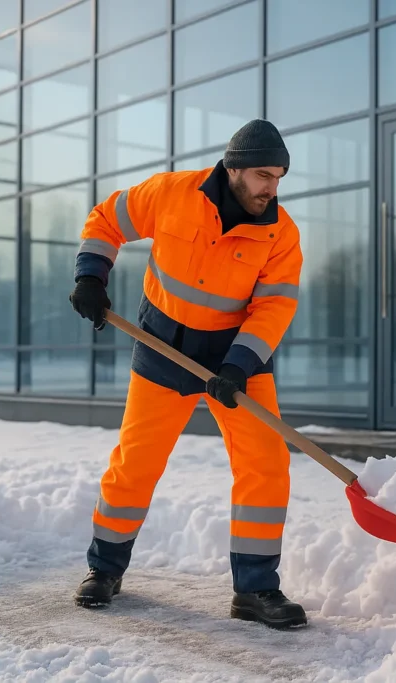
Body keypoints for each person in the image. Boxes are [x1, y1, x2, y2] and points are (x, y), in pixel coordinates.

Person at [67, 119, 306, 630]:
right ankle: (104, 570)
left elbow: (275, 308)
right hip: (163, 351)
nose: (272, 187)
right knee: (137, 462)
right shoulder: (173, 193)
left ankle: (257, 588)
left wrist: (237, 367)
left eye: (279, 177)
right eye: (264, 174)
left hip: (237, 362)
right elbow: (107, 218)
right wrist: (91, 275)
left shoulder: (281, 233)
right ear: (235, 167)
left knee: (265, 466)